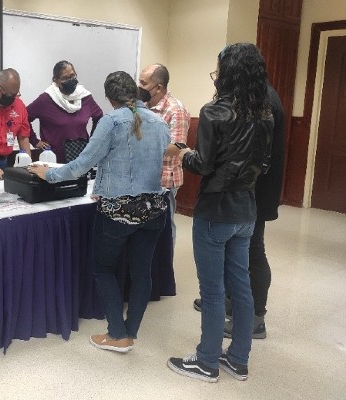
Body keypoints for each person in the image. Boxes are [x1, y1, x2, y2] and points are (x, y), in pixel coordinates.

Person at [28, 71, 170, 353]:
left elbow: (82, 164)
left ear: (109, 98)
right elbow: (145, 162)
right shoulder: (159, 121)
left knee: (103, 268)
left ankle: (117, 334)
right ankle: (131, 332)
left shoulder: (111, 121)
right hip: (154, 208)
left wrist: (50, 175)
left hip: (118, 211)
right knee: (142, 273)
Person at [167, 43, 274, 382]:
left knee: (212, 291)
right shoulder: (265, 113)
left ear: (227, 74)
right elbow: (264, 164)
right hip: (247, 210)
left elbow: (203, 164)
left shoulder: (214, 112)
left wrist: (183, 152)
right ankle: (238, 359)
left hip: (215, 212)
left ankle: (207, 362)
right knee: (240, 287)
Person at [193, 84, 285, 340]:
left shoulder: (263, 101)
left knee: (253, 253)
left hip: (251, 192)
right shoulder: (255, 98)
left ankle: (256, 317)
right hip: (247, 190)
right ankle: (231, 304)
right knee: (239, 256)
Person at [138, 63, 190, 246]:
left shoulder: (176, 109)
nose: (139, 87)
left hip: (165, 180)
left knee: (165, 226)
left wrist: (144, 147)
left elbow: (177, 147)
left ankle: (164, 266)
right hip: (141, 177)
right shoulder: (141, 106)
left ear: (158, 87)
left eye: (143, 83)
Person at [27, 60, 103, 163]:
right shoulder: (46, 99)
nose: (70, 80)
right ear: (56, 80)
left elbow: (99, 116)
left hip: (80, 160)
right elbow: (24, 118)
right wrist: (34, 141)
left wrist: (92, 142)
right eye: (65, 78)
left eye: (72, 76)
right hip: (54, 161)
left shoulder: (85, 97)